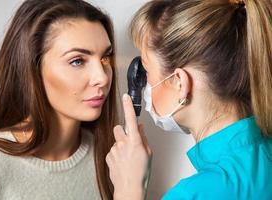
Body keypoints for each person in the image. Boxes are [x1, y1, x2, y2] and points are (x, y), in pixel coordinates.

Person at [106, 0, 272, 199]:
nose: (144, 84)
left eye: (147, 70)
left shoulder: (191, 194)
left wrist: (129, 187)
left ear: (179, 83)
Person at [0, 0, 118, 199]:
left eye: (105, 58)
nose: (102, 77)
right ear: (32, 69)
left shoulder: (112, 159)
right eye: (77, 61)